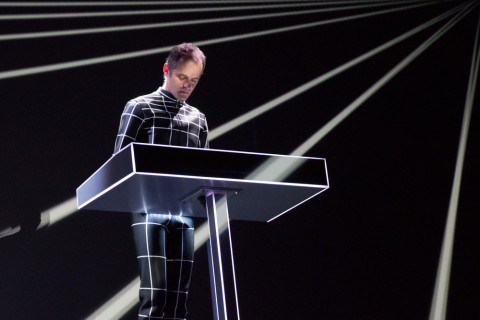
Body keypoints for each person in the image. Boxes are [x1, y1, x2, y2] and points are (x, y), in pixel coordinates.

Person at [113, 43, 208, 320]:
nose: (187, 85)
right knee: (155, 296)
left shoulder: (198, 119)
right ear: (167, 70)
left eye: (194, 80)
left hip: (185, 214)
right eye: (182, 77)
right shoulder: (140, 107)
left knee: (179, 300)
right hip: (149, 209)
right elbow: (119, 162)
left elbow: (205, 170)